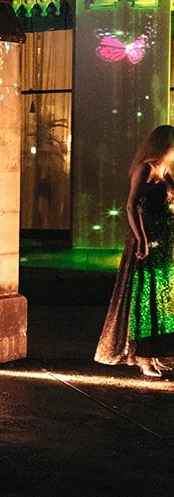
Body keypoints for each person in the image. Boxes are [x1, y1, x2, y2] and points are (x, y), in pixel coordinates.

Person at [96, 124, 174, 376]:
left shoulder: (166, 172)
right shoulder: (145, 169)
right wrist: (140, 238)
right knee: (144, 296)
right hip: (147, 240)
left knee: (163, 298)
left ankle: (158, 352)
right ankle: (142, 355)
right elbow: (131, 206)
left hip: (165, 242)